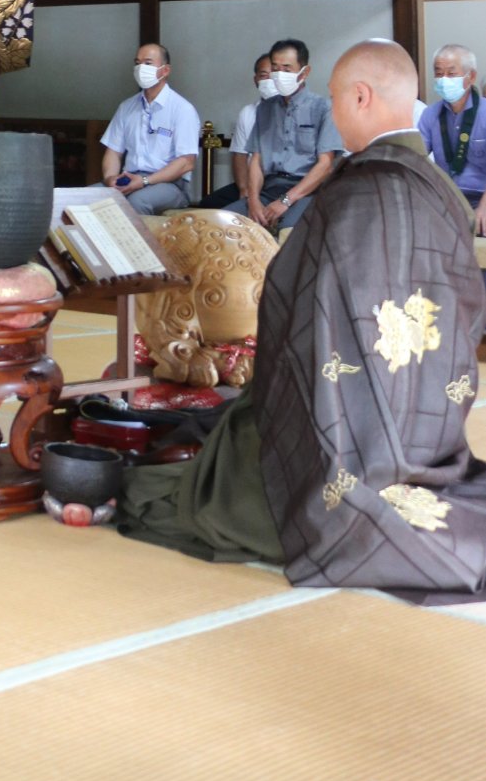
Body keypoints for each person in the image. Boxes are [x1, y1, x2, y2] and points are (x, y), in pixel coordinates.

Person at [119, 39, 486, 602]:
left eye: (337, 99)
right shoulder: (438, 190)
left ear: (360, 97)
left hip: (342, 427)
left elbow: (292, 298)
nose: (333, 114)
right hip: (429, 424)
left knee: (165, 491)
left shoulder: (360, 192)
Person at [229, 36, 342, 229]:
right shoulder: (264, 109)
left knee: (288, 230)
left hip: (307, 192)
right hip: (269, 189)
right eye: (275, 68)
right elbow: (256, 159)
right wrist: (254, 200)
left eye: (287, 69)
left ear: (304, 72)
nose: (279, 74)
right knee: (223, 223)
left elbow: (325, 165)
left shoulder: (324, 109)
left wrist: (286, 201)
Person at [100, 43, 200, 213]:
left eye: (147, 63)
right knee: (86, 198)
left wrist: (145, 181)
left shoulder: (182, 109)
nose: (140, 68)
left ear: (165, 70)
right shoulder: (127, 107)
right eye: (137, 63)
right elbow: (113, 152)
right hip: (129, 177)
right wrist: (110, 179)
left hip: (169, 184)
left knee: (136, 202)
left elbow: (186, 162)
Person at [419, 44, 486, 235]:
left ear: (470, 77)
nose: (443, 80)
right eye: (439, 74)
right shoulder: (430, 114)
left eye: (451, 74)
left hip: (482, 197)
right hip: (447, 198)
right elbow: (417, 157)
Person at [201, 52, 273, 207]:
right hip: (251, 182)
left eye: (273, 75)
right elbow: (239, 155)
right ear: (255, 80)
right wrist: (244, 189)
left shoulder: (296, 112)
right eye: (264, 75)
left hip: (279, 185)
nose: (269, 81)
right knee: (208, 204)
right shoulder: (248, 112)